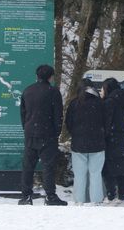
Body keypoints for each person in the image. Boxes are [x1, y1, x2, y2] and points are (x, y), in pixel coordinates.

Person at [18, 64, 67, 206]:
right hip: (48, 134)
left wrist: (26, 128)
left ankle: (26, 196)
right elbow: (58, 115)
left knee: (28, 166)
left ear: (37, 76)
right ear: (51, 77)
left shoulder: (27, 91)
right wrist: (56, 132)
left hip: (30, 133)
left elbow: (23, 113)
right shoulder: (53, 92)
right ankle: (50, 196)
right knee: (48, 166)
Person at [65, 78, 105, 205]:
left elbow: (68, 123)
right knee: (95, 174)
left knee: (79, 175)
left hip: (78, 144)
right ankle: (96, 201)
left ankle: (79, 201)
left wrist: (76, 134)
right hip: (97, 144)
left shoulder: (74, 103)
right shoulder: (100, 103)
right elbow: (106, 122)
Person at [101, 78, 124, 206]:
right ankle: (123, 198)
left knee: (107, 169)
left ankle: (111, 196)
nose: (101, 91)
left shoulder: (110, 102)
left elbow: (106, 122)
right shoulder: (122, 101)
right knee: (120, 169)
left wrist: (103, 135)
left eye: (102, 88)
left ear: (108, 88)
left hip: (110, 139)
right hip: (121, 137)